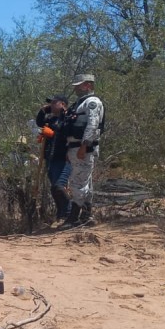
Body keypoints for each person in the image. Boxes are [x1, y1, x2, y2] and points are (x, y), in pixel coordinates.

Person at [64, 74, 105, 227]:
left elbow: (92, 125)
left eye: (79, 85)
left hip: (83, 148)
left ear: (88, 85)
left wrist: (84, 146)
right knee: (85, 183)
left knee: (77, 183)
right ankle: (87, 216)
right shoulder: (79, 104)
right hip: (75, 148)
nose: (76, 88)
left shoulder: (92, 102)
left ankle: (73, 218)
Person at [35, 95, 72, 221]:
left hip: (64, 158)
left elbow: (68, 132)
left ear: (62, 104)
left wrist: (54, 133)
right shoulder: (51, 119)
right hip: (51, 158)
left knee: (59, 186)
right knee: (54, 188)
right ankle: (61, 214)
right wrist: (43, 110)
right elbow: (39, 123)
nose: (51, 104)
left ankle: (69, 212)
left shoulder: (68, 117)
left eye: (54, 102)